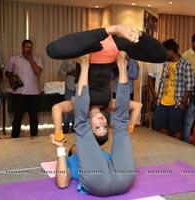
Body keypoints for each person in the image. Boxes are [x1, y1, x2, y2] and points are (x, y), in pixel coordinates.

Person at [47, 25, 167, 141]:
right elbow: (137, 106)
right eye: (105, 127)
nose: (102, 122)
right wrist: (129, 129)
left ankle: (110, 30)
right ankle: (131, 32)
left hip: (87, 48)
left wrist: (58, 134)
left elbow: (56, 108)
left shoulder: (76, 108)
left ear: (88, 126)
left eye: (97, 127)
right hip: (112, 49)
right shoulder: (107, 105)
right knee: (161, 56)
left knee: (52, 50)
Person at [51, 52, 136, 197]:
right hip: (103, 182)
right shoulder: (71, 160)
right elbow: (62, 183)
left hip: (124, 178)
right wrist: (60, 150)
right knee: (117, 123)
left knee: (115, 123)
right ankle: (120, 65)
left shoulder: (102, 153)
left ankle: (118, 65)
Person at [153, 39, 194, 138]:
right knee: (162, 127)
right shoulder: (166, 63)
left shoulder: (185, 64)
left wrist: (183, 103)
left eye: (164, 51)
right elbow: (163, 82)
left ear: (170, 51)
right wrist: (157, 99)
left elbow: (190, 86)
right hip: (162, 102)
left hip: (176, 103)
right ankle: (166, 148)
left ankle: (176, 151)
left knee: (176, 130)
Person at [5, 40, 42, 138]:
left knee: (33, 117)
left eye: (30, 47)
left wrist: (31, 59)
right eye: (27, 47)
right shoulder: (14, 59)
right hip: (19, 92)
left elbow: (38, 72)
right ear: (22, 47)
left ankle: (34, 136)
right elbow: (7, 72)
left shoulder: (37, 59)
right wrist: (12, 76)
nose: (29, 49)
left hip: (33, 92)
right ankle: (15, 137)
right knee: (17, 116)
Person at [59, 60, 76, 133]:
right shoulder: (67, 59)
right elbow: (60, 72)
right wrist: (69, 73)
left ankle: (75, 128)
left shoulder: (83, 57)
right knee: (67, 108)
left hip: (81, 87)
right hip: (70, 87)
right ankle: (65, 128)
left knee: (78, 108)